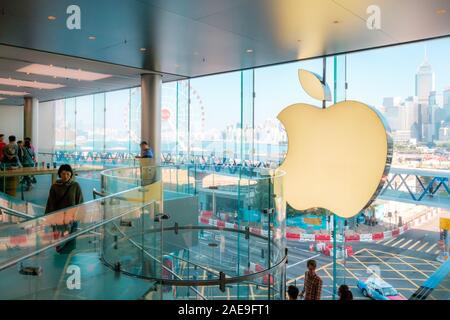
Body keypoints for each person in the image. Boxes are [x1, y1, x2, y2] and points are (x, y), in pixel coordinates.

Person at [45, 164, 84, 254]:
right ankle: (61, 255)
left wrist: (80, 215)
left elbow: (80, 202)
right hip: (59, 219)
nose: (65, 176)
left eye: (67, 174)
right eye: (63, 174)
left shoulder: (75, 186)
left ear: (71, 174)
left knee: (70, 240)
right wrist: (49, 218)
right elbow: (50, 203)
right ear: (59, 174)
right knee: (59, 240)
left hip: (72, 219)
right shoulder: (54, 187)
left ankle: (68, 255)